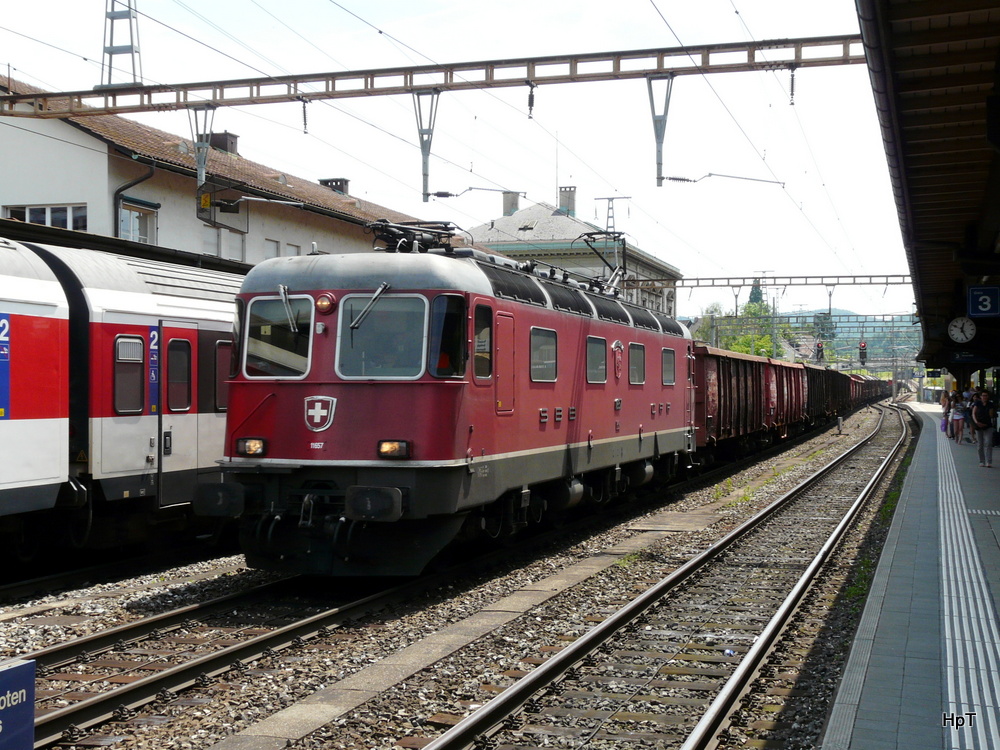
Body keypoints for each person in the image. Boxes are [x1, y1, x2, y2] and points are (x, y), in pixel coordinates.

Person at [971, 390, 996, 467]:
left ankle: (989, 461)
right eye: (983, 395)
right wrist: (976, 422)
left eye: (986, 395)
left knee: (988, 443)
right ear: (981, 396)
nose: (984, 397)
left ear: (988, 397)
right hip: (978, 425)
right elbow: (973, 413)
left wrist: (990, 412)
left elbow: (991, 416)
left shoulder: (990, 404)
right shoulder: (977, 403)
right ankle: (982, 461)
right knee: (980, 444)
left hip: (988, 425)